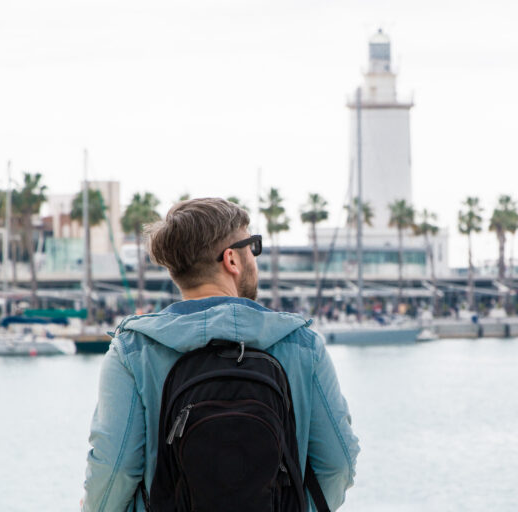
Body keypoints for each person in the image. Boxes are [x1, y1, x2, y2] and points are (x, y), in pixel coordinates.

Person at [82, 198, 359, 511]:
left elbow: (115, 468)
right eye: (252, 247)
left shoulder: (133, 350)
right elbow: (338, 464)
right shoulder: (302, 345)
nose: (255, 260)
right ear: (231, 260)